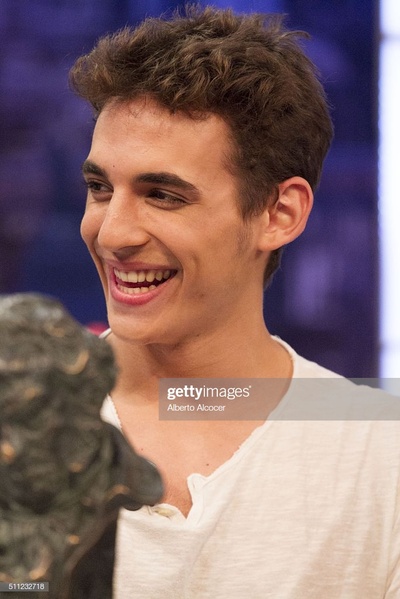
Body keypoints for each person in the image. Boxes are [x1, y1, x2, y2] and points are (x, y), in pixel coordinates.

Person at [69, 6, 400, 598]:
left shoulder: (380, 454)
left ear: (280, 213)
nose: (112, 233)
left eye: (162, 195)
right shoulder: (21, 421)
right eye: (100, 188)